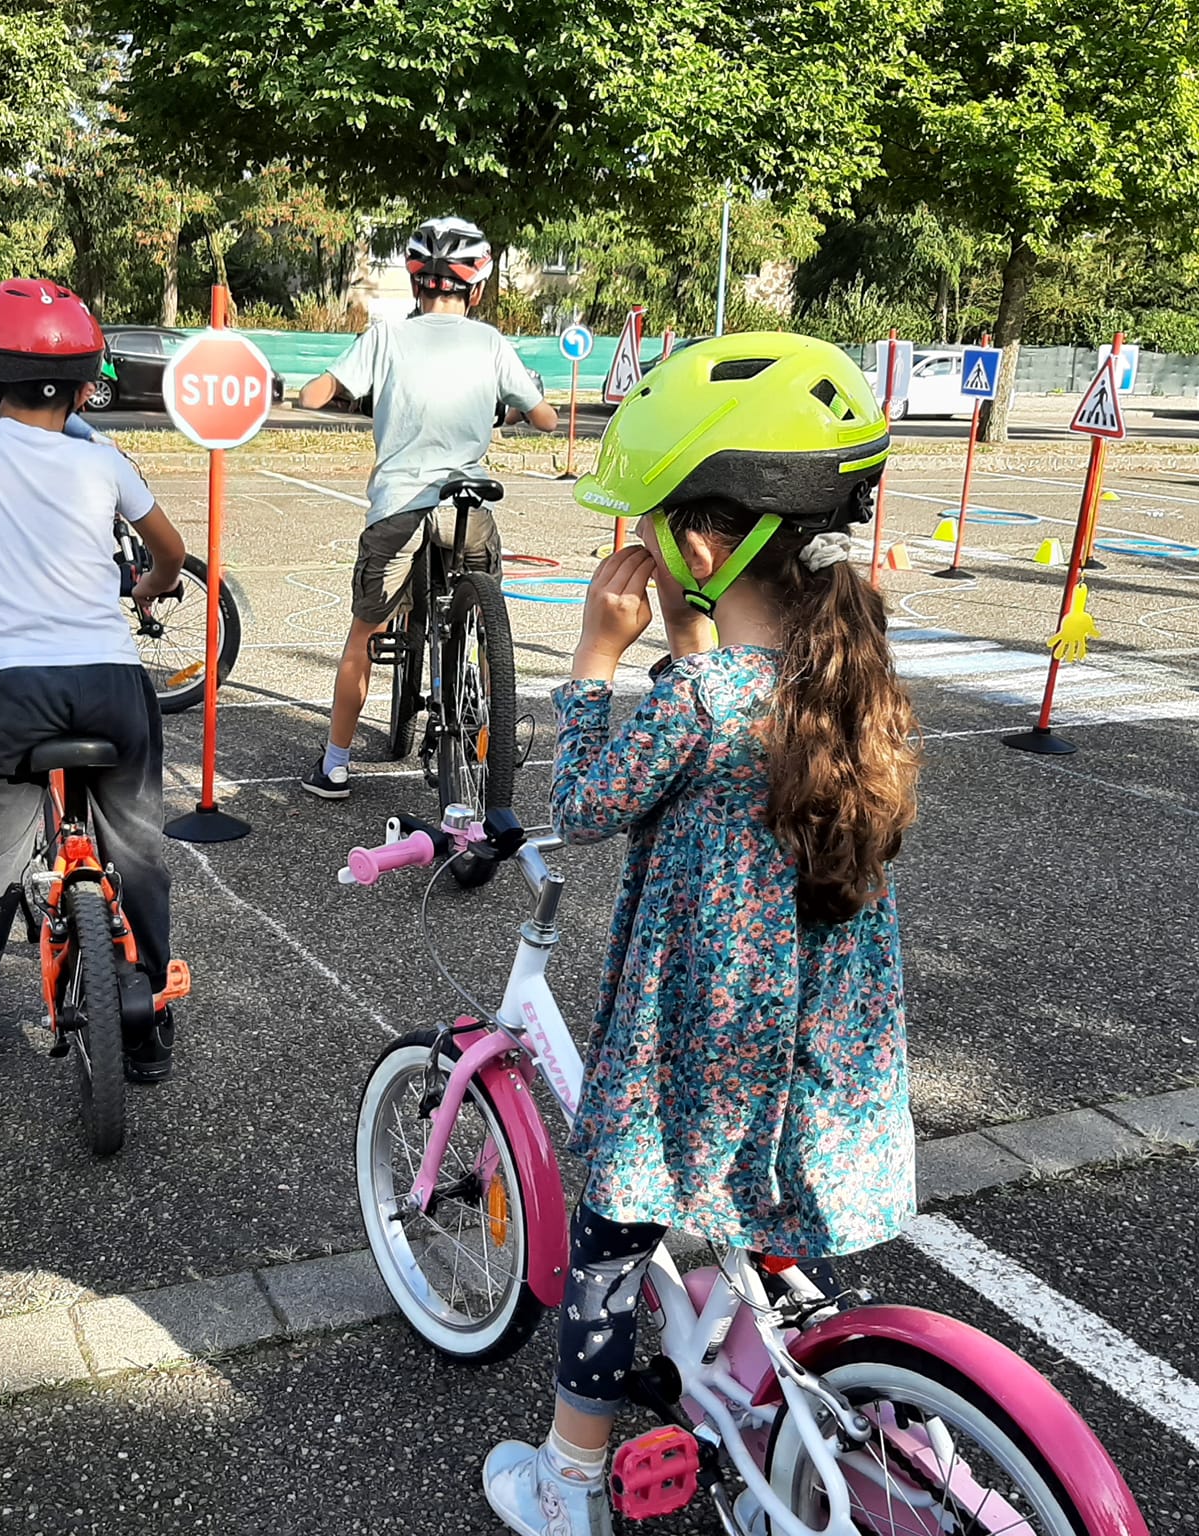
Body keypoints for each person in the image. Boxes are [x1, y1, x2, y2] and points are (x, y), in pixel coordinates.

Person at [480, 335, 922, 1536]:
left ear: (701, 545)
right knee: (774, 1217)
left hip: (705, 1025)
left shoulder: (700, 700)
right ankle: (799, 1393)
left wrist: (591, 659)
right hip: (820, 1021)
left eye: (660, 521)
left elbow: (581, 805)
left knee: (616, 1228)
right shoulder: (850, 668)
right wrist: (687, 648)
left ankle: (569, 1479)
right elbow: (736, 732)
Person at [0, 279, 187, 1081]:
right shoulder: (105, 461)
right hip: (113, 683)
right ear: (88, 387)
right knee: (140, 849)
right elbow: (169, 549)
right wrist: (152, 587)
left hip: (18, 684)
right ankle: (151, 1013)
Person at [295, 216, 559, 798]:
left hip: (400, 504)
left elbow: (316, 393)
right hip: (466, 505)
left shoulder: (387, 336)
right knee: (486, 625)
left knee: (364, 632)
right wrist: (508, 411)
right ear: (479, 287)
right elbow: (545, 418)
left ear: (417, 284)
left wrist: (318, 393)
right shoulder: (491, 342)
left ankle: (335, 765)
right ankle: (494, 728)